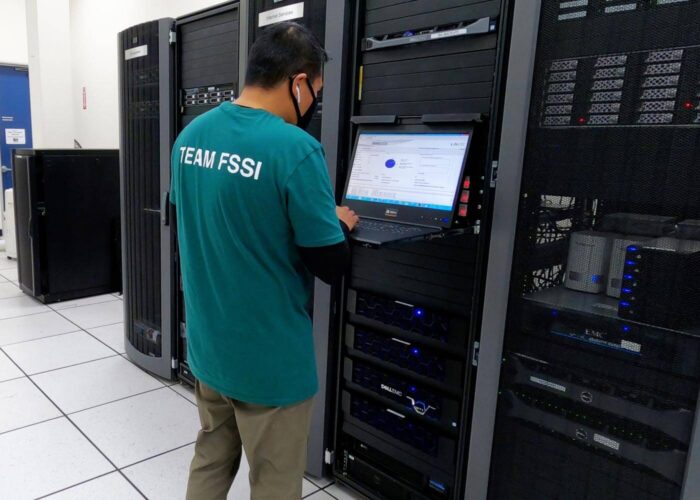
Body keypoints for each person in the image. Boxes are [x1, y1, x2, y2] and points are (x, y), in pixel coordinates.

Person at [169, 21, 359, 500]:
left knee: (211, 457)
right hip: (270, 364)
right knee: (274, 482)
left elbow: (192, 217)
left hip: (211, 348)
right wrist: (336, 221)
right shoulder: (295, 149)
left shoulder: (191, 136)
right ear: (298, 83)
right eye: (315, 90)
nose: (314, 103)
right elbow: (330, 265)